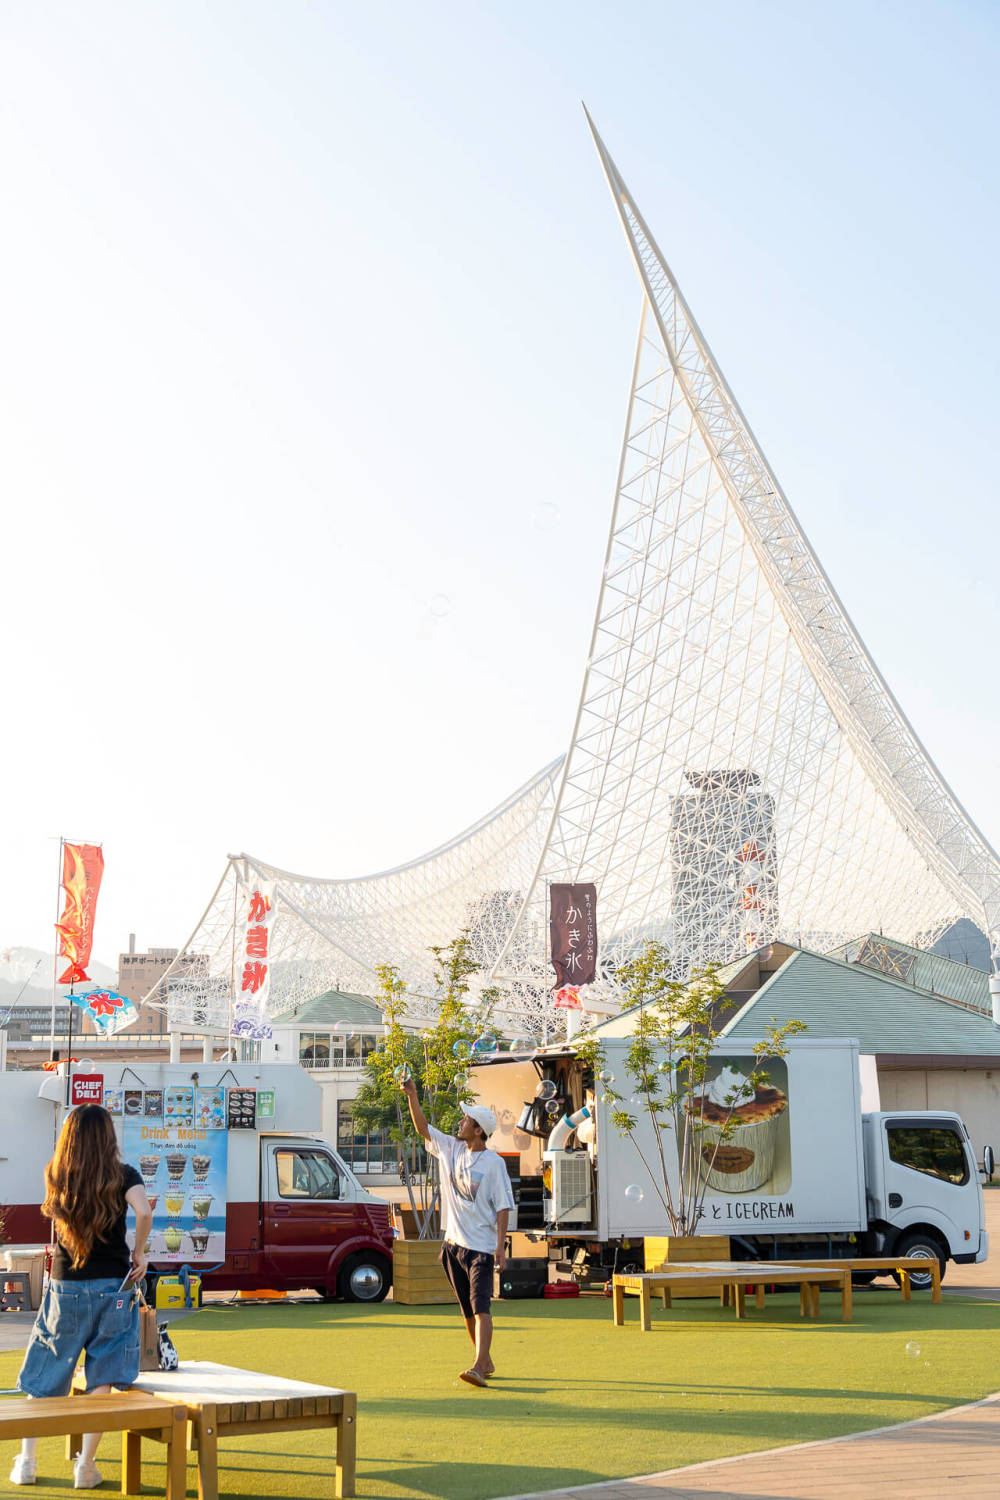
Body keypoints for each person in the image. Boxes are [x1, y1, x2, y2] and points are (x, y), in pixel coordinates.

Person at [10, 1103, 152, 1488]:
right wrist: (139, 1253)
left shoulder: (57, 1174)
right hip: (113, 1286)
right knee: (101, 1374)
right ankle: (85, 1468)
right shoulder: (124, 1175)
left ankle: (27, 1461)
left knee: (46, 1370)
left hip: (65, 1283)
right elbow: (143, 1212)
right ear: (108, 1136)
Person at [400, 1077, 514, 1387]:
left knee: (481, 1306)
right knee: (466, 1308)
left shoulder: (494, 1164)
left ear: (479, 1130)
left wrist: (500, 1247)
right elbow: (423, 1128)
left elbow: (504, 1206)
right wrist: (413, 1095)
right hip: (453, 1246)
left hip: (481, 1248)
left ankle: (478, 1365)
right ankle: (484, 1359)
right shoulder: (450, 1147)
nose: (460, 1121)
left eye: (466, 1119)